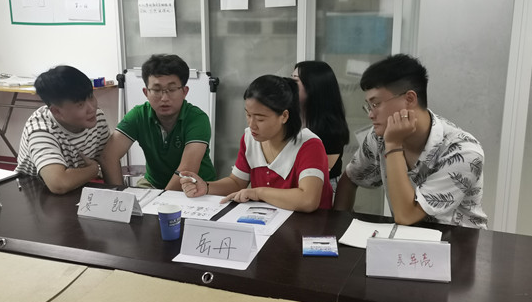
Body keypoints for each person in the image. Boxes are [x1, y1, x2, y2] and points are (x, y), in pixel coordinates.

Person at [334, 54, 487, 228]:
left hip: (458, 241)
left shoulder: (463, 151)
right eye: (368, 106)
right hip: (405, 239)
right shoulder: (379, 136)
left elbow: (406, 215)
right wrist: (338, 229)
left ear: (409, 99)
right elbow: (351, 177)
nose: (370, 114)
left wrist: (393, 145)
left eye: (376, 104)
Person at [180, 75, 334, 212]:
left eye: (260, 118)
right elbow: (236, 182)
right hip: (267, 223)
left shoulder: (309, 144)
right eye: (248, 115)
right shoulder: (250, 138)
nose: (252, 124)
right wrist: (206, 187)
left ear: (284, 116)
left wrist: (258, 192)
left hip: (310, 227)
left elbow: (308, 200)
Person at [101, 54, 215, 190]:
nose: (164, 98)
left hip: (195, 187)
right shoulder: (138, 115)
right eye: (156, 90)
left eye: (172, 89)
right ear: (146, 92)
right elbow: (109, 156)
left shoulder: (197, 119)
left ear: (184, 92)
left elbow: (186, 171)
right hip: (153, 184)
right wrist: (119, 195)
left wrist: (161, 200)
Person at [16, 65, 110, 195]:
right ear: (57, 111)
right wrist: (93, 170)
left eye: (91, 97)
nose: (92, 108)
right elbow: (58, 184)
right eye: (80, 104)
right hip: (36, 192)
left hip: (77, 188)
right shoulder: (41, 128)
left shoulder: (97, 117)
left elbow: (106, 159)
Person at [292, 61, 349, 190]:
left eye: (295, 81)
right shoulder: (288, 118)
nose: (289, 86)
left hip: (320, 189)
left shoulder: (331, 130)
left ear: (313, 86)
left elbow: (318, 174)